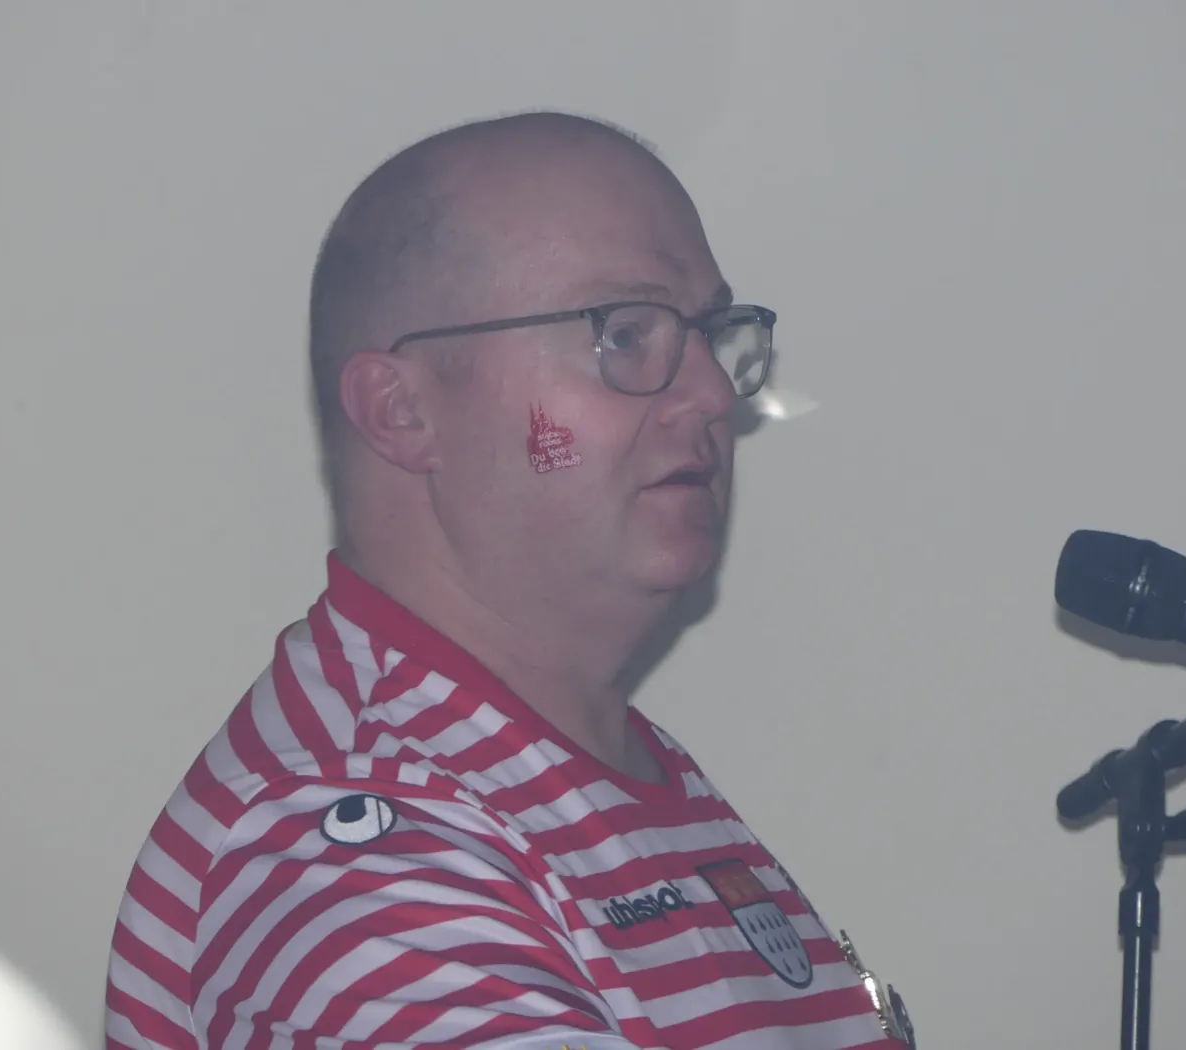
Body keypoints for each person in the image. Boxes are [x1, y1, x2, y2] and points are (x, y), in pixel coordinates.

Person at [104, 111, 913, 1050]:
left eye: (708, 333)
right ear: (402, 411)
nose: (709, 393)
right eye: (624, 334)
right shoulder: (350, 850)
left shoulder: (596, 771)